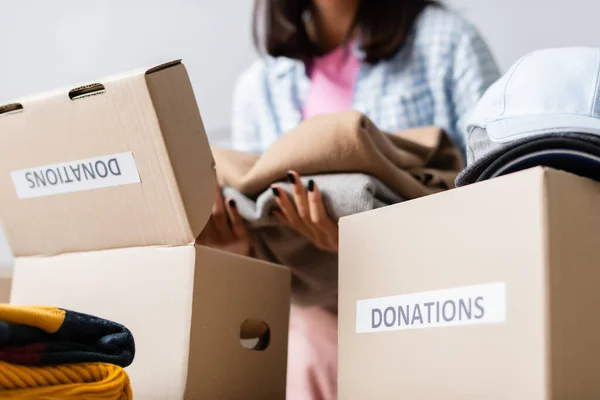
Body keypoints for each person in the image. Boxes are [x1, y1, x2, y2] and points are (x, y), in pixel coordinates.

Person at [203, 0, 500, 398]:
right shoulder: (258, 87)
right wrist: (238, 245)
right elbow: (263, 256)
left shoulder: (447, 43)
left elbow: (501, 192)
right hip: (319, 316)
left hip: (430, 301)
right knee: (304, 346)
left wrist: (371, 247)